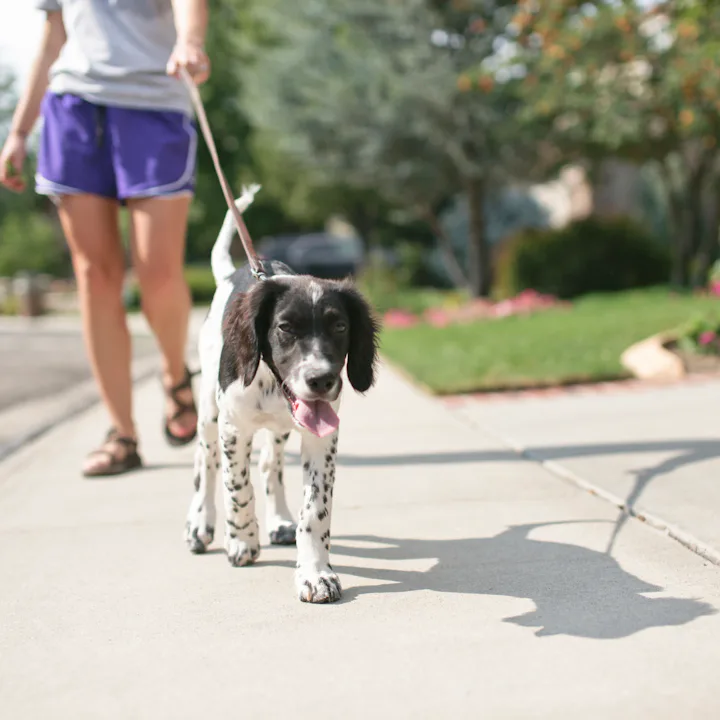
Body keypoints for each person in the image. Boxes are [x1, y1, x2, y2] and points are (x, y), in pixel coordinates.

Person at [0, 0, 210, 476]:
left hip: (154, 105)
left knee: (158, 272)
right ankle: (122, 433)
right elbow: (54, 35)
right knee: (95, 276)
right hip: (73, 107)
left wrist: (191, 42)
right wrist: (18, 131)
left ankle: (176, 375)